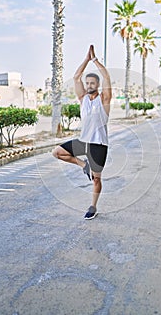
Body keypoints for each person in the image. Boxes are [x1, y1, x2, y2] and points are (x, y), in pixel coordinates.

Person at [52, 45, 112, 220]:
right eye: (87, 83)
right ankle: (83, 165)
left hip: (99, 145)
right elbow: (76, 77)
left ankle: (93, 206)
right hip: (83, 141)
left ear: (98, 85)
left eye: (92, 83)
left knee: (97, 180)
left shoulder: (104, 100)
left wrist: (95, 61)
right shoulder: (83, 99)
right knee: (57, 152)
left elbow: (107, 76)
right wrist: (86, 59)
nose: (89, 85)